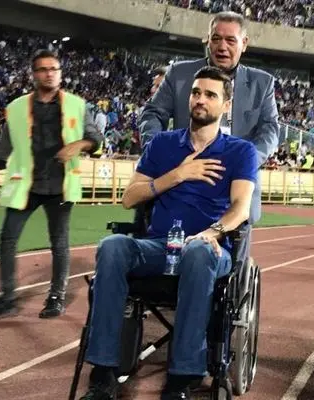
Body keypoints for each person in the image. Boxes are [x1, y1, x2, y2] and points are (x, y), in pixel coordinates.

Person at [79, 66, 258, 400]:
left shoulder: (240, 151)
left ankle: (181, 378)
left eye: (210, 95)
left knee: (197, 252)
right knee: (112, 246)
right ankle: (103, 372)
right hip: (160, 245)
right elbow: (129, 198)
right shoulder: (162, 144)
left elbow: (240, 208)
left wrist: (212, 233)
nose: (200, 100)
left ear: (226, 105)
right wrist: (178, 174)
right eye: (196, 93)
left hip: (207, 249)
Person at [0, 49, 102, 319]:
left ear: (60, 74)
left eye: (54, 69)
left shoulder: (77, 105)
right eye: (43, 69)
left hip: (61, 185)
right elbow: (4, 147)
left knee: (59, 242)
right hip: (26, 185)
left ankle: (56, 297)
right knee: (7, 238)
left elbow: (96, 138)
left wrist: (79, 144)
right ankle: (7, 298)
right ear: (34, 74)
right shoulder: (16, 108)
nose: (49, 74)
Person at [138, 11, 280, 225]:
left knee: (233, 244)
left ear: (244, 43)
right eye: (216, 39)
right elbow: (152, 114)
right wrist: (159, 152)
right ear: (207, 40)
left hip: (235, 189)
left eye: (230, 40)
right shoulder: (179, 74)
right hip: (182, 186)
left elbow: (270, 131)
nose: (222, 47)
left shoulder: (263, 83)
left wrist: (244, 162)